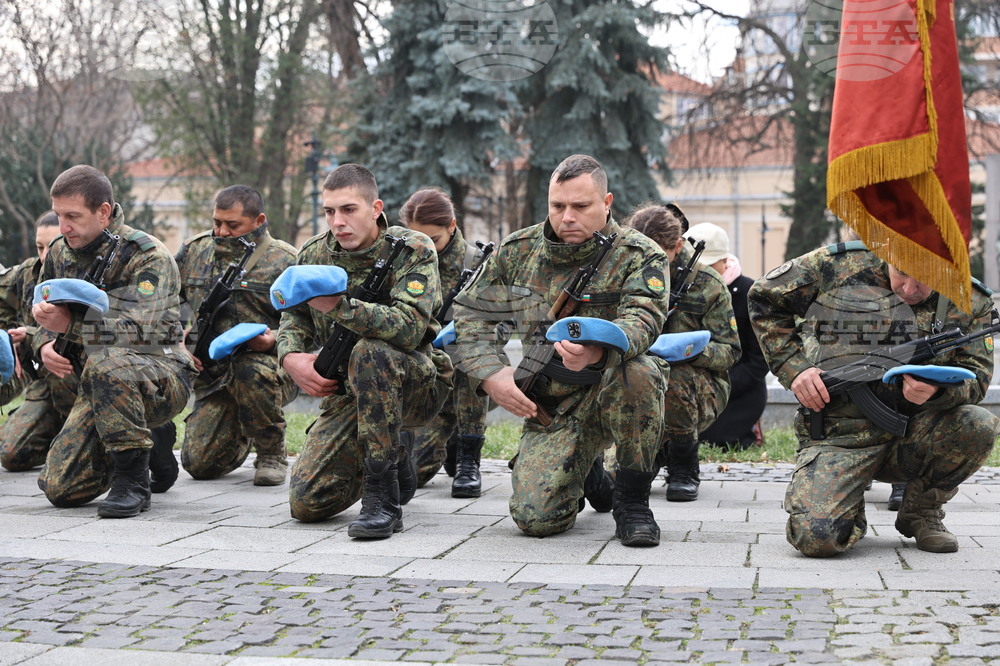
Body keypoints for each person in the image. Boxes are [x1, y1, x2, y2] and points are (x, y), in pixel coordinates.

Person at [453, 154, 670, 547]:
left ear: (607, 203)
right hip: (554, 405)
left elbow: (644, 319)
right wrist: (491, 374)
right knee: (536, 520)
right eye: (558, 206)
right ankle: (591, 475)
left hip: (612, 388)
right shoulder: (518, 251)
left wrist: (598, 352)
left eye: (581, 206)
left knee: (640, 371)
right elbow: (471, 314)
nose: (567, 217)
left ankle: (632, 502)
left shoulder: (639, 254)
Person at [748, 240, 1000, 556]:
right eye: (901, 273)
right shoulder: (840, 266)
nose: (910, 289)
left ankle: (921, 511)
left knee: (979, 424)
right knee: (817, 539)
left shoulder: (968, 298)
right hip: (841, 434)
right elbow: (764, 298)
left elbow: (976, 378)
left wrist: (938, 392)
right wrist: (794, 367)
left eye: (925, 277)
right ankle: (847, 504)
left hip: (917, 434)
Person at [276, 164, 452, 537]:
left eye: (348, 209)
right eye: (329, 211)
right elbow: (293, 316)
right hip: (349, 389)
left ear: (375, 209)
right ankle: (394, 451)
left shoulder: (413, 248)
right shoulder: (314, 253)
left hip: (415, 383)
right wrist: (290, 356)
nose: (337, 222)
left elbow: (410, 327)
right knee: (307, 504)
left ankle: (382, 500)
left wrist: (340, 308)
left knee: (371, 351)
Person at [31, 165, 195, 517]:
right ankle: (152, 437)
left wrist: (70, 325)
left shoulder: (148, 256)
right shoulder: (59, 252)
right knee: (61, 489)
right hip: (97, 379)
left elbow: (141, 332)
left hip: (158, 373)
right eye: (59, 215)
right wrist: (44, 341)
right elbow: (43, 307)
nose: (63, 227)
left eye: (73, 216)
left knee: (107, 359)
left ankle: (132, 481)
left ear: (103, 212)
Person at [175, 185, 297, 487]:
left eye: (233, 225)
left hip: (270, 370)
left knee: (250, 368)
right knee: (199, 465)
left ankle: (271, 453)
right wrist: (178, 341)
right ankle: (245, 424)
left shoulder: (286, 260)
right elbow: (162, 304)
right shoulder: (194, 251)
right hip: (214, 375)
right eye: (217, 222)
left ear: (259, 220)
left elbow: (315, 325)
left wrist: (274, 339)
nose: (222, 232)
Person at [628, 208, 739, 501]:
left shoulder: (707, 284)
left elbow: (730, 351)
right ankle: (652, 452)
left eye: (658, 256)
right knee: (615, 483)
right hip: (637, 384)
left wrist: (688, 351)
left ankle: (684, 466)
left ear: (677, 246)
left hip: (696, 388)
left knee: (672, 374)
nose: (648, 263)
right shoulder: (624, 275)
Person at [401, 188, 491, 497]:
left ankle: (468, 457)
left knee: (471, 353)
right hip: (426, 376)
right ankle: (449, 439)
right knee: (410, 476)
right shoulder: (404, 261)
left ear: (452, 226)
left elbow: (503, 323)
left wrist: (464, 331)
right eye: (419, 239)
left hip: (468, 377)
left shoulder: (477, 262)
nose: (427, 247)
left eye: (433, 239)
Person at [0, 211, 77, 470]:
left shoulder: (83, 277)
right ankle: (59, 434)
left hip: (84, 385)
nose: (45, 256)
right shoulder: (27, 274)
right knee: (12, 455)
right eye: (39, 247)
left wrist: (31, 335)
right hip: (44, 383)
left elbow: (88, 331)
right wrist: (6, 335)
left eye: (52, 247)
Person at [686, 228, 769, 451]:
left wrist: (723, 385)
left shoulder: (750, 293)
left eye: (709, 265)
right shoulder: (684, 290)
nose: (702, 271)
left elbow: (759, 359)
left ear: (724, 260)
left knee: (719, 441)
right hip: (691, 386)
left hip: (739, 390)